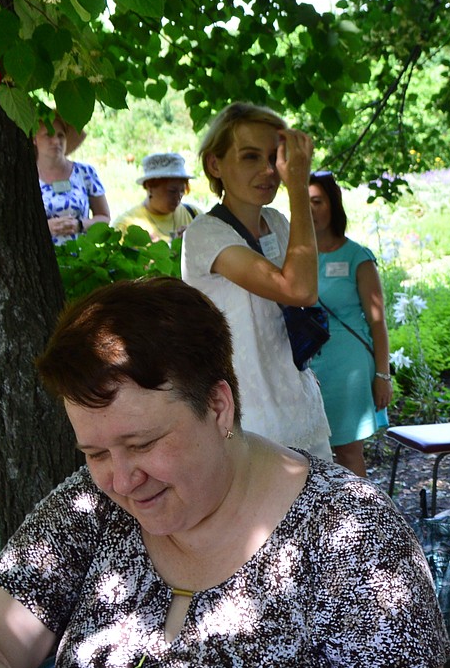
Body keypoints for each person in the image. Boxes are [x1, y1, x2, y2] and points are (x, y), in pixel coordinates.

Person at [0, 277, 450, 668]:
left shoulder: (347, 528)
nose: (120, 480)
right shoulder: (88, 509)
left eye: (143, 443)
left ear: (218, 406)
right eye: (94, 454)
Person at [180, 102, 332, 460]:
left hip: (300, 404)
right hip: (252, 420)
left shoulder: (278, 222)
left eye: (274, 157)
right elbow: (300, 290)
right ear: (215, 164)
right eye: (250, 157)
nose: (268, 171)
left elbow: (301, 293)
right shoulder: (205, 234)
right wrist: (299, 186)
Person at [308, 172, 391, 476]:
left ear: (333, 205)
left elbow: (378, 322)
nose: (311, 210)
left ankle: (360, 516)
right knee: (309, 451)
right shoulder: (296, 257)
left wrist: (383, 374)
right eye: (304, 204)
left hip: (348, 369)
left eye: (317, 202)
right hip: (307, 366)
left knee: (347, 451)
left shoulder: (357, 256)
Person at [36, 114, 111, 243]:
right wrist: (45, 227)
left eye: (61, 135)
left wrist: (80, 225)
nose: (56, 141)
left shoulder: (85, 172)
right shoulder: (24, 176)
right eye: (49, 134)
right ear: (34, 139)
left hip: (80, 257)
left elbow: (104, 217)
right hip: (39, 259)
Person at [113, 152, 199, 241]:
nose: (178, 196)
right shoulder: (125, 225)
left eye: (182, 191)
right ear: (150, 186)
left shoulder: (193, 214)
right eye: (172, 191)